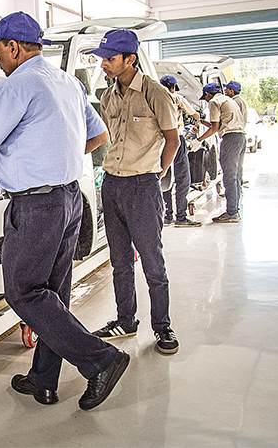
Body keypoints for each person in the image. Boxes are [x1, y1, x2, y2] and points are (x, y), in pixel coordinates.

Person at [0, 11, 128, 411]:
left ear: (13, 47)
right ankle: (43, 380)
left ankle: (101, 359)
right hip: (69, 200)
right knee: (53, 294)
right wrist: (56, 157)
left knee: (23, 292)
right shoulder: (67, 82)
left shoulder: (16, 86)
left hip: (36, 205)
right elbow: (99, 134)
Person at [90, 29, 181, 355]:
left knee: (153, 263)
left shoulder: (155, 93)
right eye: (102, 58)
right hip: (113, 184)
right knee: (120, 261)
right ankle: (125, 320)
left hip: (143, 186)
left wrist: (159, 172)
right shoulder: (108, 96)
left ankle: (162, 326)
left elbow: (173, 138)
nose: (104, 65)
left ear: (130, 59)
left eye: (110, 58)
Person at [190, 83, 246, 223]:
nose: (207, 101)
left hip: (230, 139)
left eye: (206, 98)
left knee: (229, 176)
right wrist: (201, 121)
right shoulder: (228, 100)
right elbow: (219, 125)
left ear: (208, 94)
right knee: (235, 175)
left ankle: (232, 213)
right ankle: (235, 209)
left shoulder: (214, 102)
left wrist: (198, 140)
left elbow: (215, 128)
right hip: (240, 138)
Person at [159, 75, 201, 228]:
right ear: (173, 87)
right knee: (183, 178)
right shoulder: (177, 98)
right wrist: (197, 123)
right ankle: (181, 217)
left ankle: (167, 214)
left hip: (161, 141)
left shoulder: (155, 98)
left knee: (165, 176)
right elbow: (195, 115)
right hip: (176, 138)